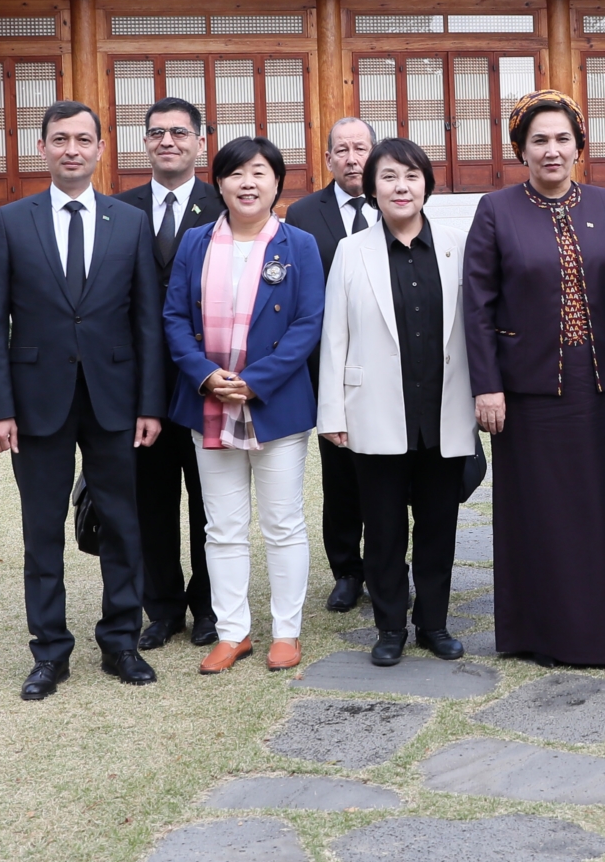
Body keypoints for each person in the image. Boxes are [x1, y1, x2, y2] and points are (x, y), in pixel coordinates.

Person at [0, 100, 167, 700]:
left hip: (114, 398)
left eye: (84, 139)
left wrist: (149, 404)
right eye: (60, 139)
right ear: (42, 148)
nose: (72, 150)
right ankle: (50, 651)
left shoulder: (128, 222)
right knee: (42, 530)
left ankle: (120, 641)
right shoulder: (11, 221)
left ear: (101, 149)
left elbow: (146, 322)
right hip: (36, 402)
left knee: (122, 523)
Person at [463, 91, 605, 667]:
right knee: (537, 513)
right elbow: (478, 305)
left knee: (602, 509)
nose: (552, 150)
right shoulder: (496, 209)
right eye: (539, 139)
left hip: (602, 386)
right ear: (521, 148)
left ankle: (604, 634)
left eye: (562, 138)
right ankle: (536, 632)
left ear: (579, 145)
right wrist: (486, 385)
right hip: (528, 391)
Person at [163, 136, 326, 674]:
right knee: (222, 527)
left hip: (275, 404)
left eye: (260, 172)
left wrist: (255, 381)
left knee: (282, 523)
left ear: (277, 182)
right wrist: (208, 376)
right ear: (221, 184)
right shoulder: (195, 243)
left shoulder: (298, 244)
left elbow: (308, 323)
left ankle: (286, 632)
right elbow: (174, 320)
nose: (248, 183)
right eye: (236, 174)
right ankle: (233, 632)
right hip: (208, 402)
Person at [318, 137, 477, 667]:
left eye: (411, 176)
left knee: (438, 526)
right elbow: (334, 336)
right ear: (372, 189)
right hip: (375, 411)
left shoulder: (457, 244)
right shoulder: (351, 250)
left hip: (443, 410)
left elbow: (474, 332)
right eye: (388, 177)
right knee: (383, 529)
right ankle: (389, 627)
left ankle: (433, 622)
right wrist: (333, 413)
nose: (400, 186)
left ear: (427, 185)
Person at [113, 96, 225, 651]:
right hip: (140, 388)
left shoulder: (223, 203)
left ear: (201, 143)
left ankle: (208, 606)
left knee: (211, 501)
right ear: (145, 143)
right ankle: (161, 608)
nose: (168, 142)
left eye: (180, 133)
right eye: (157, 133)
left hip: (205, 380)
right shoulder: (120, 209)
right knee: (151, 503)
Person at [282, 116, 378, 613]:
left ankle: (387, 565)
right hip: (327, 365)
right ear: (327, 159)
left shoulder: (396, 201)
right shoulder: (301, 214)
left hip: (386, 364)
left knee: (387, 470)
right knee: (339, 474)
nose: (351, 158)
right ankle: (347, 569)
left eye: (360, 148)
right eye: (341, 150)